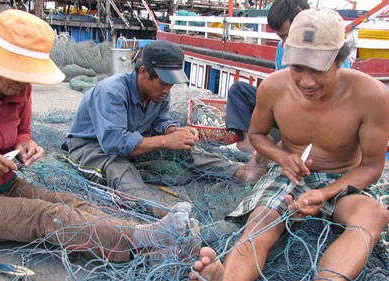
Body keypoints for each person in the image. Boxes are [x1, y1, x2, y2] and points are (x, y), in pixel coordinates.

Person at [0, 9, 200, 264]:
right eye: (16, 73)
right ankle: (144, 240)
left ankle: (149, 242)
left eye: (28, 74)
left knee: (71, 203)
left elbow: (21, 130)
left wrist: (25, 143)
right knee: (44, 216)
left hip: (3, 184)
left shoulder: (20, 88)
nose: (23, 83)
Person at [190, 8, 389, 281]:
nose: (306, 81)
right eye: (297, 68)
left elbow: (371, 166)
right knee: (261, 221)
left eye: (318, 70)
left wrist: (325, 193)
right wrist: (283, 158)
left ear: (339, 59)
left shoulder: (371, 96)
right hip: (289, 176)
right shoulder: (272, 87)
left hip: (343, 180)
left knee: (373, 215)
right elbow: (258, 136)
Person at [62, 40, 263, 214]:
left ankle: (239, 172)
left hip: (132, 139)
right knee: (117, 167)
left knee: (185, 151)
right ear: (143, 72)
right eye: (164, 83)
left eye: (171, 84)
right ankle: (154, 208)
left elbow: (160, 122)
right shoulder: (111, 92)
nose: (168, 90)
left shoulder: (159, 92)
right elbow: (114, 144)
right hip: (91, 146)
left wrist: (174, 132)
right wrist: (166, 141)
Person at [225, 0, 351, 152]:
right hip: (290, 102)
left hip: (317, 109)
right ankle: (247, 141)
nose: (286, 41)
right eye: (282, 37)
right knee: (239, 90)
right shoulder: (282, 47)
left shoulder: (330, 51)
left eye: (288, 35)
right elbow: (280, 81)